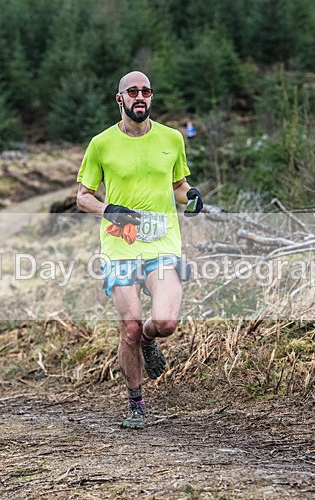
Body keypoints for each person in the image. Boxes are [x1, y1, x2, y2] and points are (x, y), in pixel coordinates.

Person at [76, 71, 204, 430]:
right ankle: (136, 404)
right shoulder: (101, 144)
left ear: (151, 98)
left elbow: (179, 185)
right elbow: (82, 197)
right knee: (128, 328)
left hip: (163, 243)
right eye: (132, 91)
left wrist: (190, 195)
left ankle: (151, 339)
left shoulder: (172, 139)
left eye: (145, 91)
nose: (140, 97)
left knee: (165, 322)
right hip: (120, 246)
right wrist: (108, 210)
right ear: (119, 99)